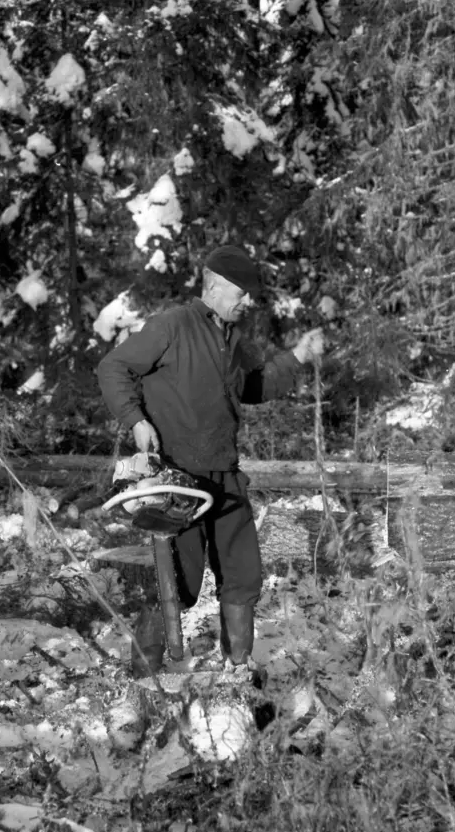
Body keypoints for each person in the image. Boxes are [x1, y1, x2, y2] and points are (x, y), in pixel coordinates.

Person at [96, 244, 324, 671]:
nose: (248, 302)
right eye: (241, 294)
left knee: (243, 576)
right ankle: (146, 677)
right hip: (177, 481)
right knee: (175, 581)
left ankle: (237, 671)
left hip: (226, 476)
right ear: (216, 287)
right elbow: (113, 368)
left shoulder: (232, 339)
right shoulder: (172, 325)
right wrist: (136, 421)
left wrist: (295, 358)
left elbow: (250, 388)